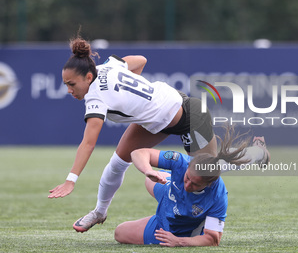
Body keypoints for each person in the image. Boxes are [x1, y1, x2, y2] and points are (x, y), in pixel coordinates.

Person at [48, 36, 218, 232]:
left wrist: (71, 180)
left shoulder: (95, 97)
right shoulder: (108, 66)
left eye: (72, 84)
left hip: (191, 116)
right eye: (66, 85)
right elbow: (141, 60)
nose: (69, 90)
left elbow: (88, 143)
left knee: (205, 177)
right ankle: (99, 212)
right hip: (160, 115)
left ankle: (209, 229)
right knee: (118, 162)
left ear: (88, 77)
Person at [114, 129, 270, 247]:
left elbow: (213, 239)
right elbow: (138, 153)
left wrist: (179, 241)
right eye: (187, 178)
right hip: (170, 194)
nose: (188, 185)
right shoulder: (181, 161)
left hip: (176, 230)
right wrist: (148, 170)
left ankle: (259, 152)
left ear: (208, 184)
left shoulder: (218, 195)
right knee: (149, 181)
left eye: (195, 184)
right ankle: (258, 152)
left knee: (119, 233)